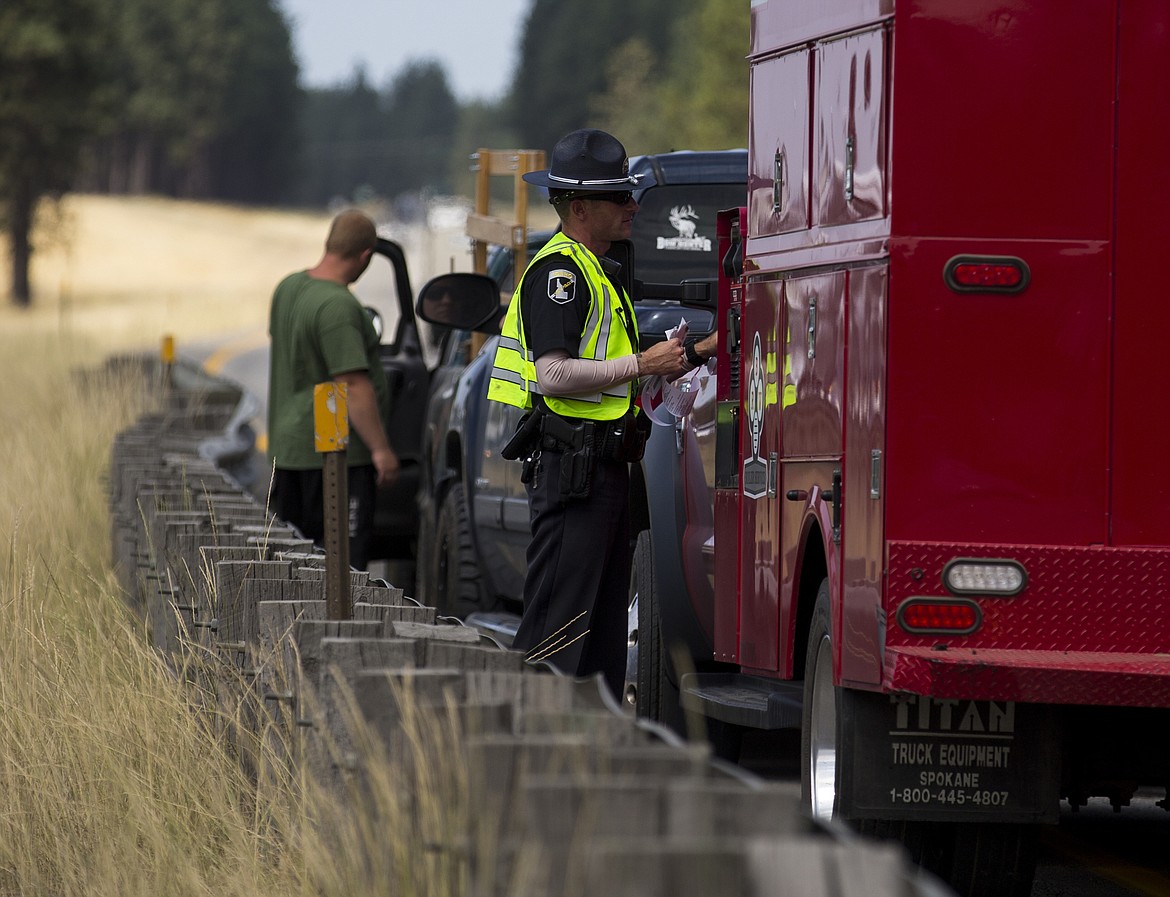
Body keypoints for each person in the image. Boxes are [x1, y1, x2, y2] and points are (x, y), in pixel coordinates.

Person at [488, 128, 690, 699]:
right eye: (618, 197)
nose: (632, 206)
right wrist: (639, 362)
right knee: (556, 640)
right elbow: (553, 375)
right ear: (580, 207)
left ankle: (584, 767)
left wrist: (676, 361)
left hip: (602, 474)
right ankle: (523, 756)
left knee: (598, 647)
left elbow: (609, 373)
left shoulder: (599, 270)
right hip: (572, 475)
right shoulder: (562, 274)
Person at [267, 209, 399, 570]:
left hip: (290, 451)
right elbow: (353, 385)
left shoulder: (288, 288)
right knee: (343, 568)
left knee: (290, 564)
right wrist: (381, 450)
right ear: (365, 256)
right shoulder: (338, 306)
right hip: (336, 459)